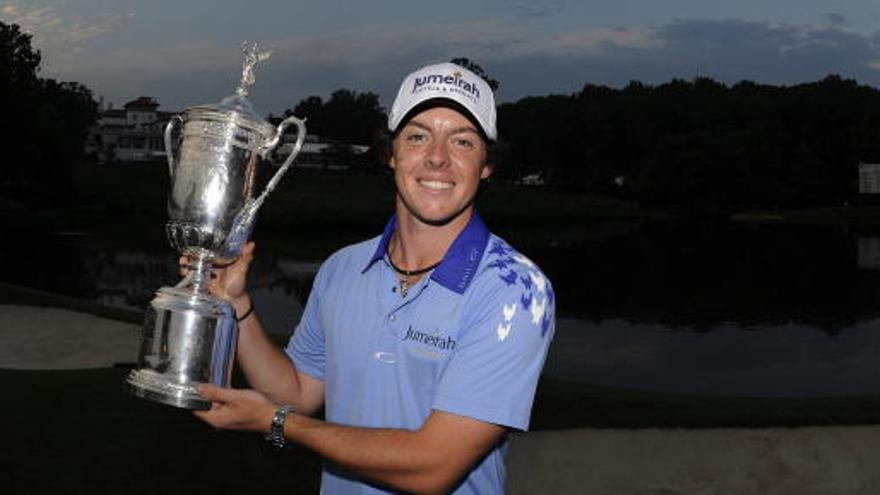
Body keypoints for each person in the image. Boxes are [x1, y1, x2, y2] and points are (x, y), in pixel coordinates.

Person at [194, 62, 556, 494]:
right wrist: (237, 303)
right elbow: (297, 395)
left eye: (462, 141)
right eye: (418, 136)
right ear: (391, 153)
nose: (438, 157)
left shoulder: (516, 289)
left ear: (486, 165)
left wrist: (275, 425)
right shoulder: (342, 267)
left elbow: (432, 467)